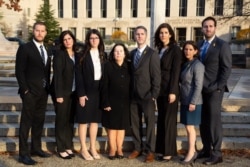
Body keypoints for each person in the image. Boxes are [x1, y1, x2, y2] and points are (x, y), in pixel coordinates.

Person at [15, 21, 52, 165]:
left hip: (43, 92)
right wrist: (25, 90)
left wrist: (47, 87)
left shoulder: (46, 49)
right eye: (37, 30)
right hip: (29, 92)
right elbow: (19, 71)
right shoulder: (25, 48)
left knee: (39, 121)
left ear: (45, 33)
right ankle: (23, 154)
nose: (40, 33)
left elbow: (46, 70)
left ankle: (36, 148)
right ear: (33, 31)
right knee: (26, 123)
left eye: (43, 31)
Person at [197, 16, 232, 165]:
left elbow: (226, 68)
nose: (208, 29)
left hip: (214, 90)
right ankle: (206, 149)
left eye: (211, 26)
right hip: (200, 89)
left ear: (215, 28)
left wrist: (219, 86)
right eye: (205, 26)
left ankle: (217, 153)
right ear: (202, 28)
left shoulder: (222, 45)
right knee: (202, 121)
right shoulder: (199, 44)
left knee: (214, 121)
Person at [128, 26, 161, 163]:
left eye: (142, 34)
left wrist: (154, 94)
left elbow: (156, 76)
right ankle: (137, 148)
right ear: (134, 36)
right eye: (137, 34)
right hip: (133, 96)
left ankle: (150, 150)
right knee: (135, 124)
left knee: (149, 124)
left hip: (147, 95)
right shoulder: (131, 54)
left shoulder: (152, 54)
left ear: (146, 36)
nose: (139, 36)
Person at [75, 29, 106, 161]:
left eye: (96, 38)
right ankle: (83, 148)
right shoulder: (81, 55)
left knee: (94, 121)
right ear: (88, 40)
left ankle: (92, 147)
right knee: (83, 121)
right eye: (91, 38)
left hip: (98, 91)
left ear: (100, 40)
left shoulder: (103, 55)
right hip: (86, 91)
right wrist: (81, 94)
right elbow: (78, 75)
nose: (94, 40)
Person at [153, 23, 182, 162]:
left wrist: (173, 91)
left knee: (169, 121)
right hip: (160, 90)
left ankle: (169, 152)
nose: (163, 35)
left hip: (170, 90)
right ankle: (161, 149)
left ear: (170, 34)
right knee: (161, 120)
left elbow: (176, 72)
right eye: (161, 33)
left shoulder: (175, 50)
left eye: (165, 32)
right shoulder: (159, 50)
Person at [50, 30, 78, 159]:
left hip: (73, 93)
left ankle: (68, 145)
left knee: (70, 120)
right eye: (65, 39)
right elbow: (58, 77)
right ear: (62, 42)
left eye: (69, 38)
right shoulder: (59, 55)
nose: (67, 41)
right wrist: (58, 95)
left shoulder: (76, 54)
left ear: (73, 39)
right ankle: (60, 148)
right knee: (61, 120)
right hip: (62, 93)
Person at [101, 43, 131, 160]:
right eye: (116, 51)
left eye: (120, 51)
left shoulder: (129, 66)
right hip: (111, 101)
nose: (118, 53)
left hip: (125, 102)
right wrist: (106, 102)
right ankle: (112, 149)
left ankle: (120, 148)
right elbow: (104, 85)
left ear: (124, 53)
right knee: (112, 127)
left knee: (121, 127)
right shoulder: (108, 66)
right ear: (113, 53)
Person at [179, 41, 204, 165]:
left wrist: (193, 102)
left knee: (190, 128)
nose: (187, 51)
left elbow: (198, 86)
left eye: (190, 49)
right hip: (185, 100)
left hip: (193, 101)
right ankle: (192, 150)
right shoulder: (185, 64)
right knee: (187, 128)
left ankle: (191, 153)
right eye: (185, 49)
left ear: (195, 51)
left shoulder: (198, 65)